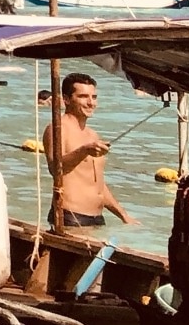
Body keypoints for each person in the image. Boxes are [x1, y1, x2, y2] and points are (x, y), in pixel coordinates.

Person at [46, 72, 132, 231]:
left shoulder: (92, 135)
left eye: (94, 97)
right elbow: (55, 169)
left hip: (97, 218)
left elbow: (97, 183)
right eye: (84, 96)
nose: (90, 102)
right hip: (71, 216)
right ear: (66, 99)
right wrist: (84, 150)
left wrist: (123, 215)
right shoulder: (58, 128)